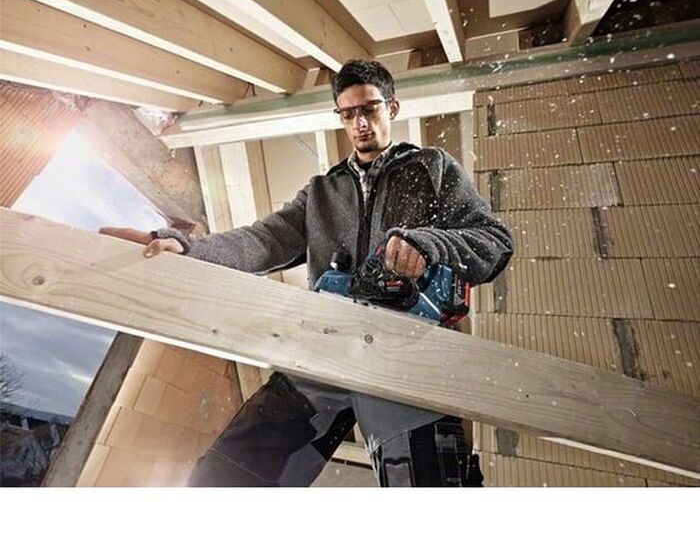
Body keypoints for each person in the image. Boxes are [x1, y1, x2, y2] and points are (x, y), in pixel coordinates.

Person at [101, 59, 514, 487]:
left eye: (369, 109)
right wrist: (186, 248)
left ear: (392, 108)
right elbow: (262, 241)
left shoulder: (432, 168)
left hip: (405, 355)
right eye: (348, 114)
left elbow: (494, 241)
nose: (360, 123)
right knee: (223, 477)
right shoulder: (320, 192)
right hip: (323, 349)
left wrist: (428, 245)